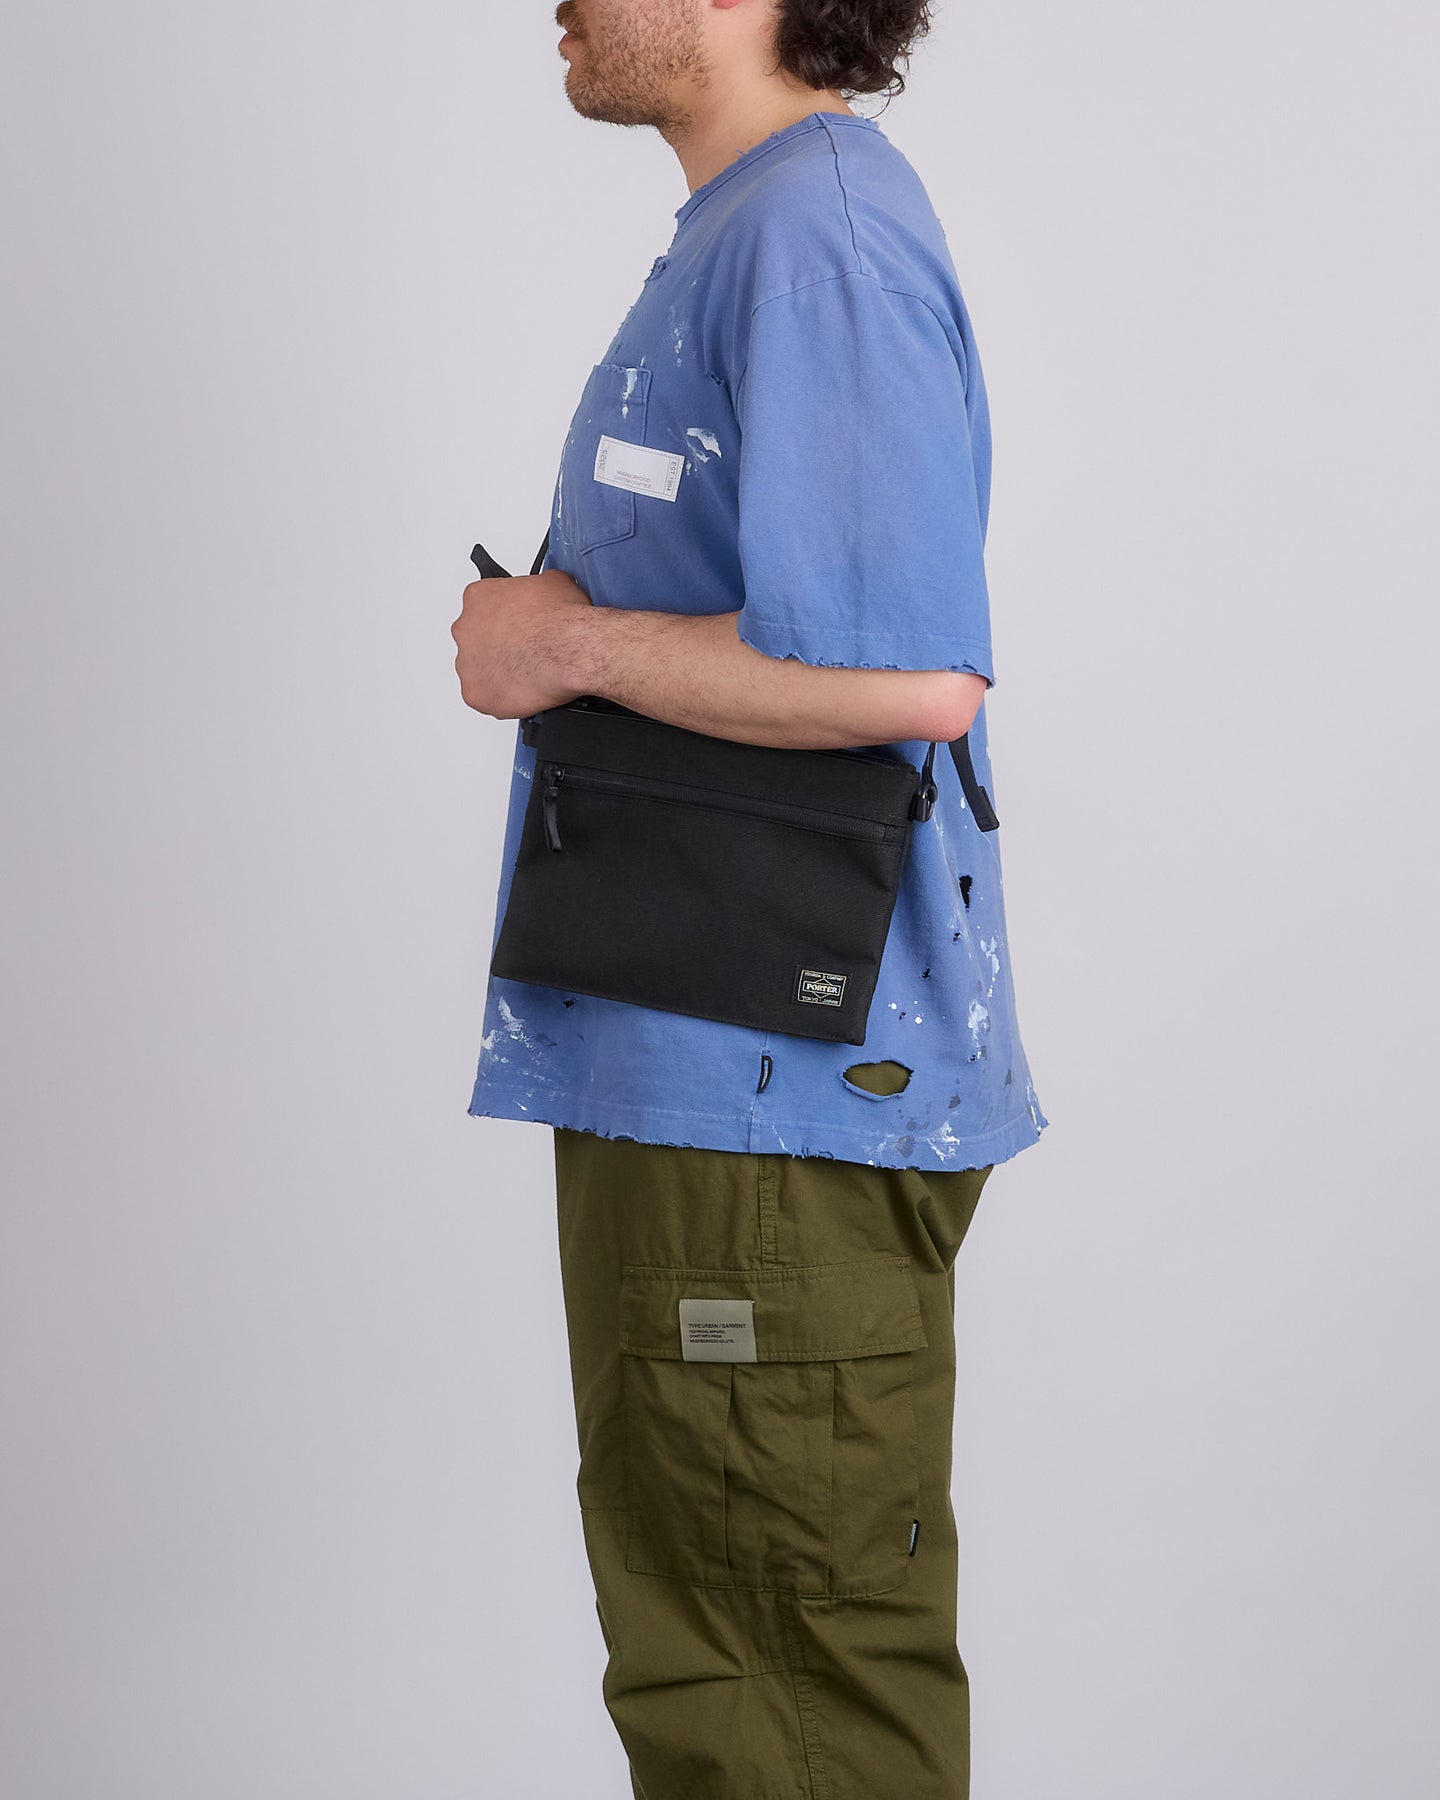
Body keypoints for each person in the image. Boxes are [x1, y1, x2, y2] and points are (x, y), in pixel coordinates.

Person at [450, 2, 1048, 1793]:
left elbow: (911, 681)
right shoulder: (756, 226)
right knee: (720, 1666)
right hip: (717, 1081)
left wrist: (565, 645)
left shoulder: (816, 235)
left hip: (771, 1109)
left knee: (771, 1694)